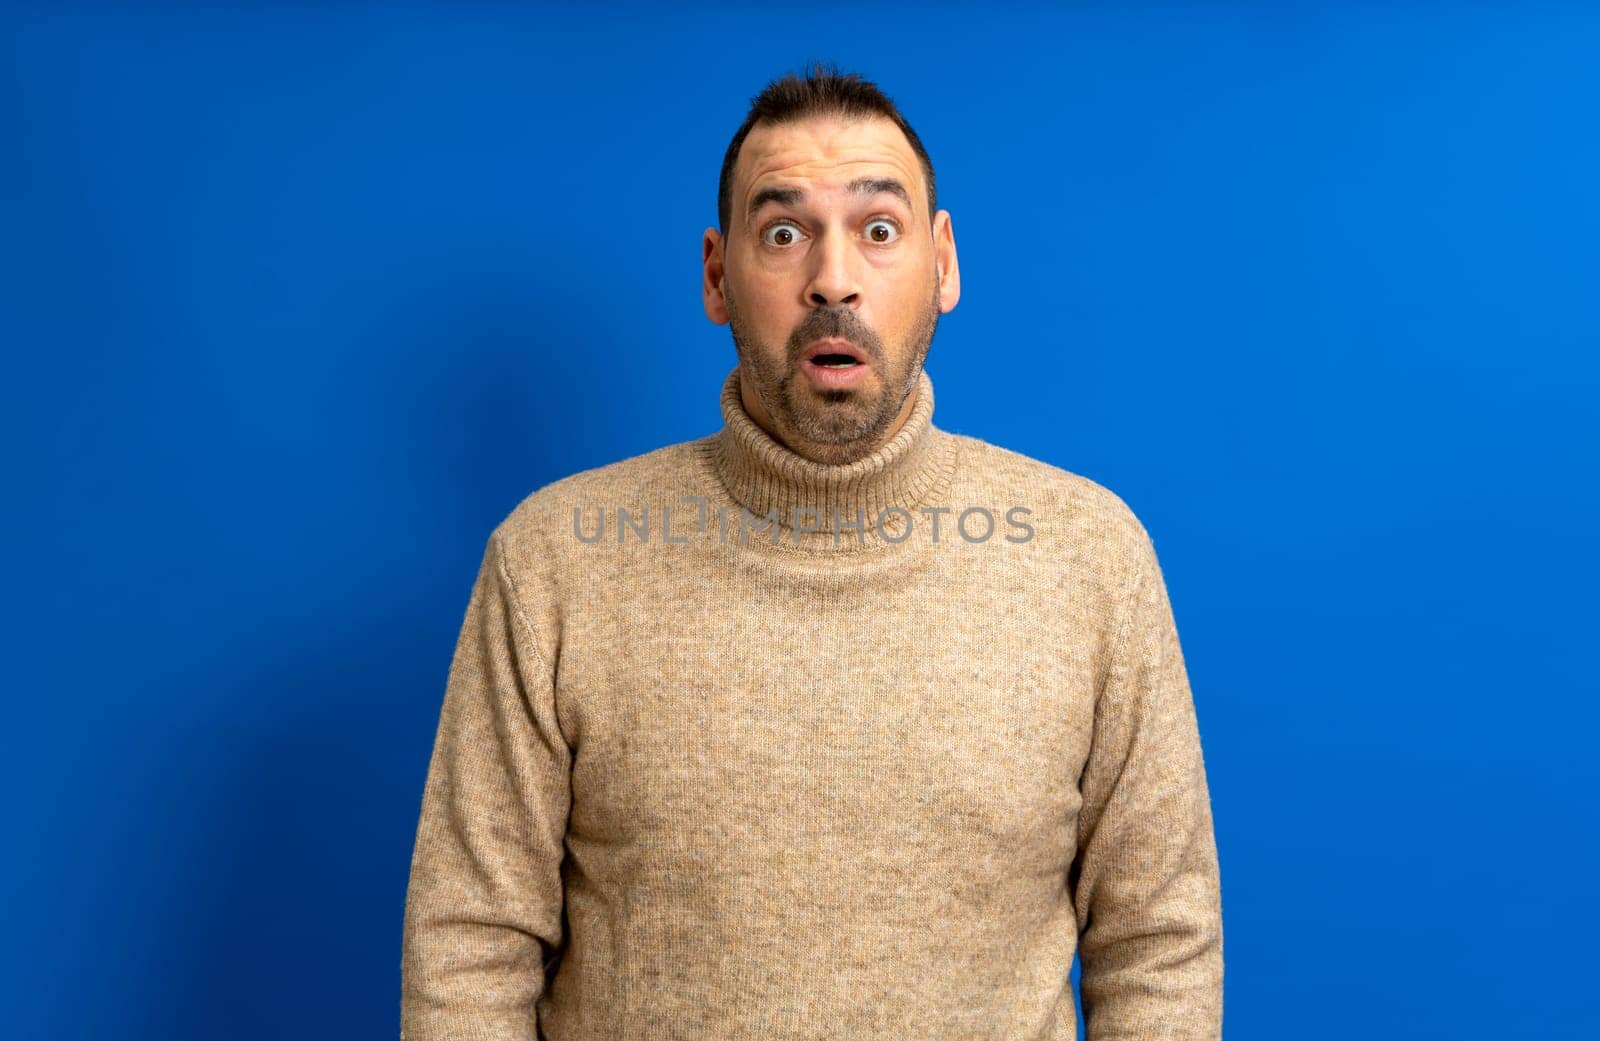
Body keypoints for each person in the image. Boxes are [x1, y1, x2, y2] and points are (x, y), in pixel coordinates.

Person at [401, 61, 1223, 1041]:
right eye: (783, 233)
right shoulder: (552, 562)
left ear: (944, 263)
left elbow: (1157, 938)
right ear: (717, 274)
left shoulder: (1090, 555)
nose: (833, 279)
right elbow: (470, 946)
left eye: (879, 231)